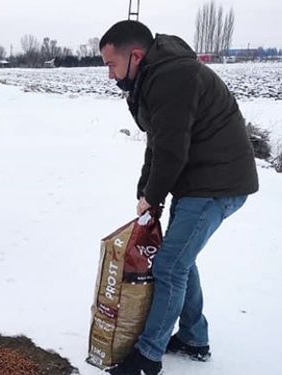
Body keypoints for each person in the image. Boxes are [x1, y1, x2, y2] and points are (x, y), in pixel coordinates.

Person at [99, 20, 259, 375]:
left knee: (170, 264)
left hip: (217, 183)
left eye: (111, 64)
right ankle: (193, 338)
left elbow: (171, 152)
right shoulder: (154, 76)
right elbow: (158, 140)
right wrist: (146, 191)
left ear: (135, 55)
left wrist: (153, 199)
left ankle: (147, 357)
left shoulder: (172, 77)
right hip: (199, 180)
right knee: (179, 257)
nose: (109, 74)